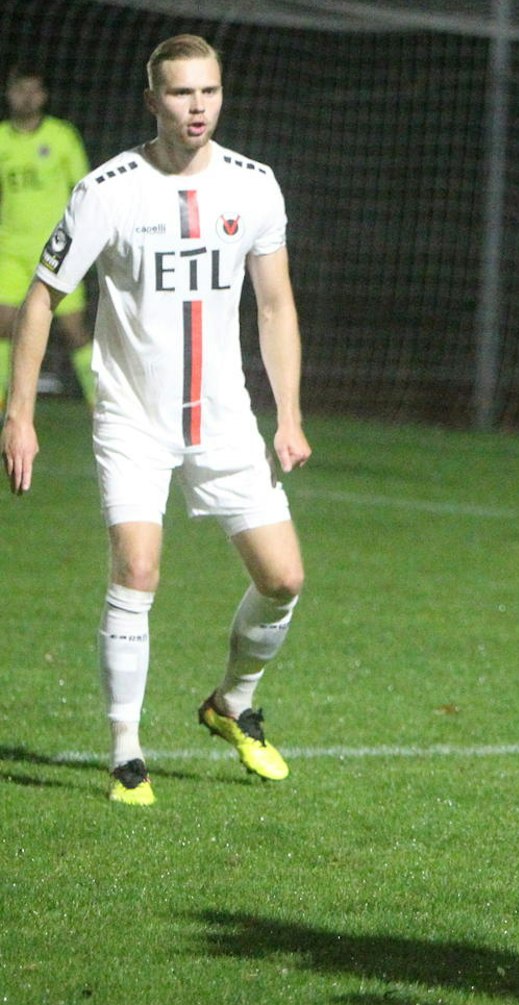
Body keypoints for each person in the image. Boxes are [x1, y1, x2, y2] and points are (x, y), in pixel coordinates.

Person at [2, 35, 310, 806]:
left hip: (226, 418)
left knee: (284, 578)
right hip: (132, 418)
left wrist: (290, 413)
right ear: (153, 102)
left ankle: (231, 703)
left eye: (207, 91)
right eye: (180, 93)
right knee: (137, 570)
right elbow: (43, 296)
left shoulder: (254, 187)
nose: (196, 106)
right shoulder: (108, 189)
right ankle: (125, 749)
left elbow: (274, 305)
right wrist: (20, 416)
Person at [0, 64, 93, 408]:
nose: (26, 97)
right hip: (10, 250)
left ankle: (101, 402)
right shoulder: (1, 139)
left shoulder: (61, 136)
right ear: (9, 93)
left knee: (72, 329)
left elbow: (83, 191)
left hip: (58, 250)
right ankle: (3, 401)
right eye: (19, 89)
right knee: (4, 325)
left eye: (33, 90)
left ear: (43, 95)